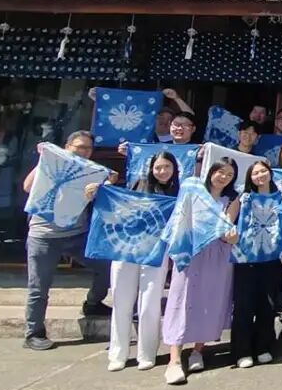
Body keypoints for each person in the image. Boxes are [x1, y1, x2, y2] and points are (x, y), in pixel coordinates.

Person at [21, 131, 118, 352]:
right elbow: (27, 187)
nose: (84, 152)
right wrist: (45, 159)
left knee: (105, 266)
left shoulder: (92, 170)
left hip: (76, 234)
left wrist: (106, 183)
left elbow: (109, 184)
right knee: (38, 286)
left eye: (88, 148)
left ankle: (93, 303)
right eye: (79, 147)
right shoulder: (50, 163)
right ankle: (33, 332)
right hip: (44, 235)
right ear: (67, 146)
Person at [161, 158, 240, 385]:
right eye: (220, 172)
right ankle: (174, 360)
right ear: (210, 171)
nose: (224, 177)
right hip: (190, 252)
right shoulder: (193, 190)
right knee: (181, 300)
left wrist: (232, 236)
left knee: (209, 301)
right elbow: (180, 220)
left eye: (229, 175)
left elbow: (226, 228)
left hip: (217, 255)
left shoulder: (232, 199)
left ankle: (198, 350)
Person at [107, 151, 178, 372]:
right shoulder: (139, 185)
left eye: (167, 167)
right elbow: (117, 207)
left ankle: (147, 353)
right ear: (151, 169)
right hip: (127, 250)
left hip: (156, 252)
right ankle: (118, 354)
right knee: (121, 302)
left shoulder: (178, 191)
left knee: (150, 304)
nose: (162, 171)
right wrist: (100, 189)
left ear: (174, 169)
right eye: (158, 167)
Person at [232, 160, 282, 369]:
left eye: (263, 171)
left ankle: (263, 347)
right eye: (255, 173)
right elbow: (229, 220)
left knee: (267, 305)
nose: (260, 175)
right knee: (244, 305)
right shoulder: (243, 197)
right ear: (250, 178)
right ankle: (242, 351)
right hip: (245, 258)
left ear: (270, 173)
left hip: (272, 257)